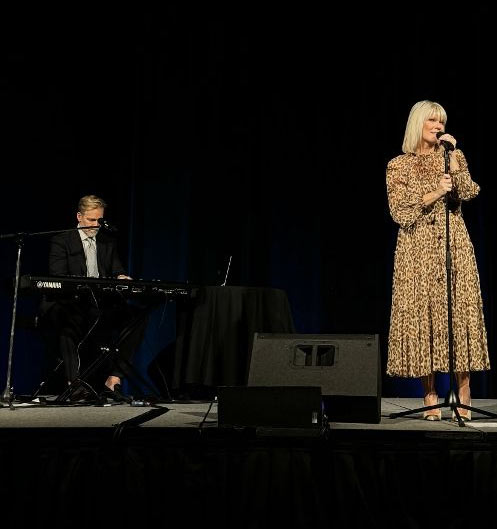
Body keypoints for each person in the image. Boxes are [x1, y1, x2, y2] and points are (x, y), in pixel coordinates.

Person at [386, 100, 490, 421]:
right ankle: (429, 393)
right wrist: (434, 192)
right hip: (417, 248)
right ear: (418, 123)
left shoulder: (452, 156)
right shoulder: (398, 165)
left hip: (453, 245)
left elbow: (468, 191)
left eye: (441, 121)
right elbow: (399, 210)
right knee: (424, 316)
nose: (438, 125)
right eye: (432, 120)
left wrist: (454, 166)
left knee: (458, 312)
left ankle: (464, 390)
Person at [40, 194, 147, 401]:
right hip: (70, 302)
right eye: (91, 220)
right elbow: (58, 275)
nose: (96, 225)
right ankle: (74, 383)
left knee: (137, 317)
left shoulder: (107, 242)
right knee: (68, 317)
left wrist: (121, 276)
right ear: (79, 216)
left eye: (99, 220)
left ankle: (113, 379)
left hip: (100, 304)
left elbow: (117, 270)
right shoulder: (62, 240)